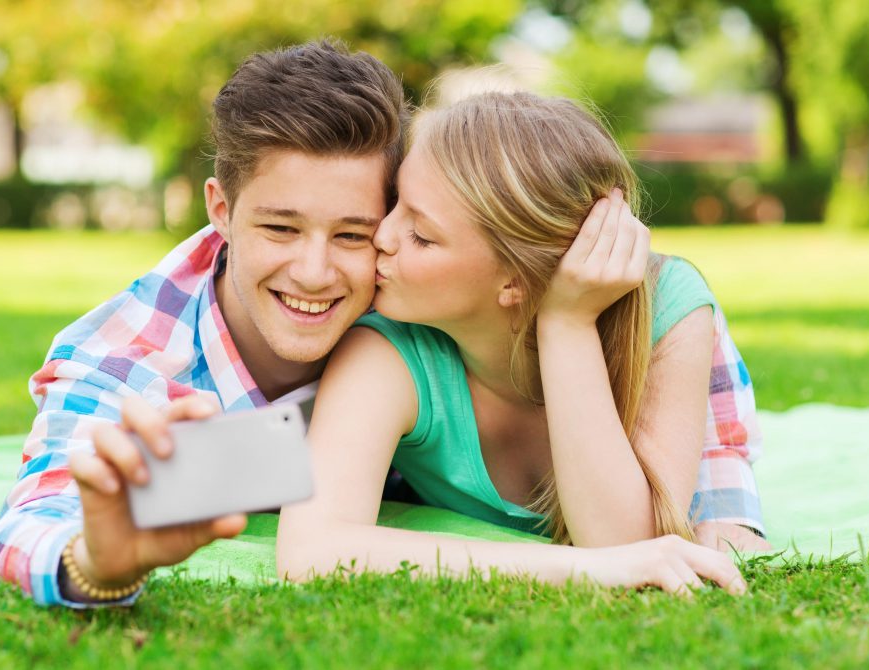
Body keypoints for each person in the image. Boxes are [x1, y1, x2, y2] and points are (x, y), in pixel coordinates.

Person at [277, 92, 768, 594]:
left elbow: (627, 540)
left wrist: (567, 323)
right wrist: (577, 571)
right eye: (395, 204)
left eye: (421, 235)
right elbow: (311, 548)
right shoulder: (390, 350)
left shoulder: (669, 308)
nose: (380, 235)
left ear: (514, 283)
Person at [0, 40, 407, 607]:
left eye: (352, 235)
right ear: (221, 210)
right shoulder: (126, 361)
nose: (313, 273)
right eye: (281, 229)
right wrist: (96, 564)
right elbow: (38, 516)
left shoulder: (416, 304)